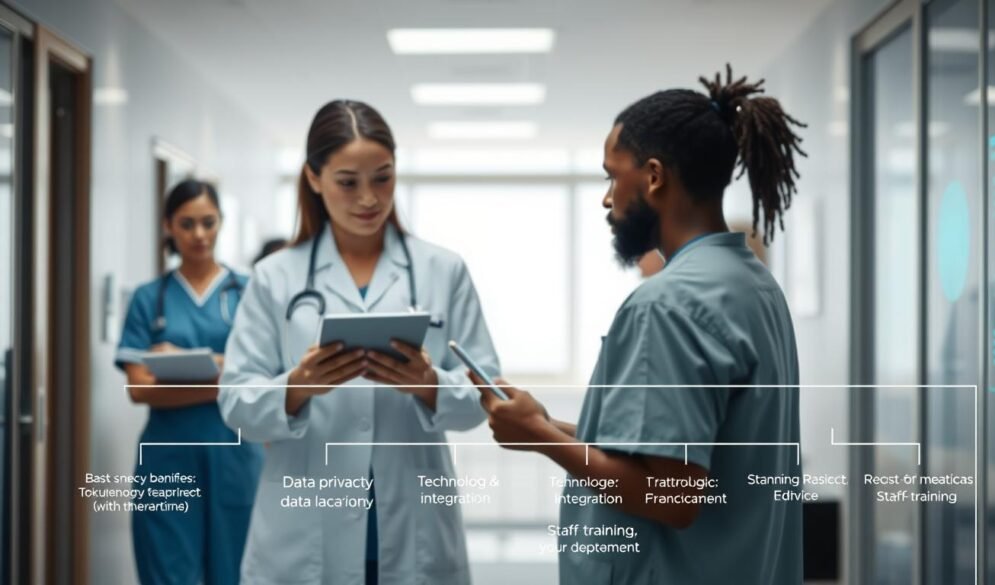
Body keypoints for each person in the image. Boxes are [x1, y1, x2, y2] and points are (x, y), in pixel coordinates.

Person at [470, 65, 806, 584]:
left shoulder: (667, 304)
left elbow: (672, 496)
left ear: (652, 176)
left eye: (612, 175)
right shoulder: (754, 286)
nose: (607, 198)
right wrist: (543, 424)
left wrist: (539, 435)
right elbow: (672, 449)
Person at [218, 99, 499, 585]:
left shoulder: (442, 270)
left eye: (383, 177)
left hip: (414, 528)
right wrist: (297, 386)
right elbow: (235, 400)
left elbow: (486, 392)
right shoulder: (274, 277)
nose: (369, 198)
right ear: (313, 177)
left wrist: (429, 384)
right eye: (348, 182)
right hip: (303, 531)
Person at [115, 179, 263, 585]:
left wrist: (176, 361)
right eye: (187, 224)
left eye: (208, 222)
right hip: (167, 458)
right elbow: (140, 389)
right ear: (168, 226)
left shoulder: (249, 293)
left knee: (236, 572)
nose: (199, 235)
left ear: (221, 223)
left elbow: (265, 376)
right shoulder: (150, 298)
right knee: (168, 573)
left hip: (235, 456)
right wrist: (226, 374)